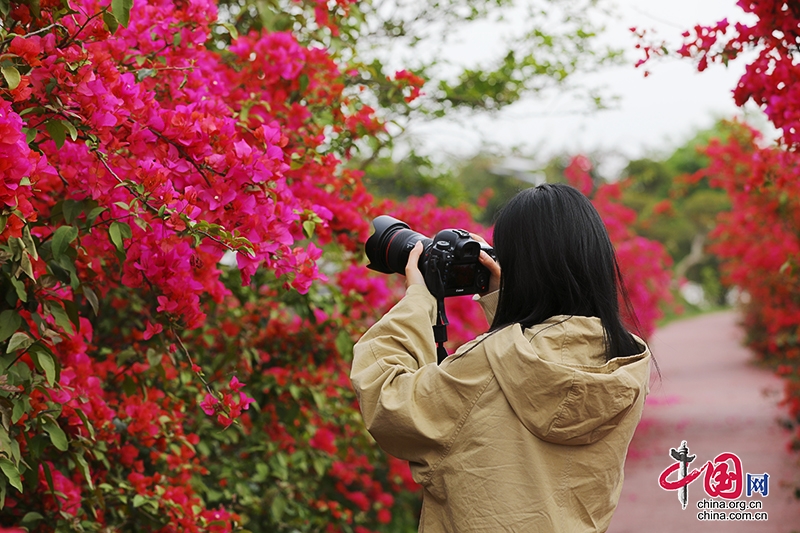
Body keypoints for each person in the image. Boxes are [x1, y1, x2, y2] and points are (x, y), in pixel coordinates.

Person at [350, 183, 652, 532]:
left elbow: (387, 400)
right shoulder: (625, 360)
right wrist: (505, 304)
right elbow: (540, 362)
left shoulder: (483, 368)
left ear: (519, 266)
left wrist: (419, 297)